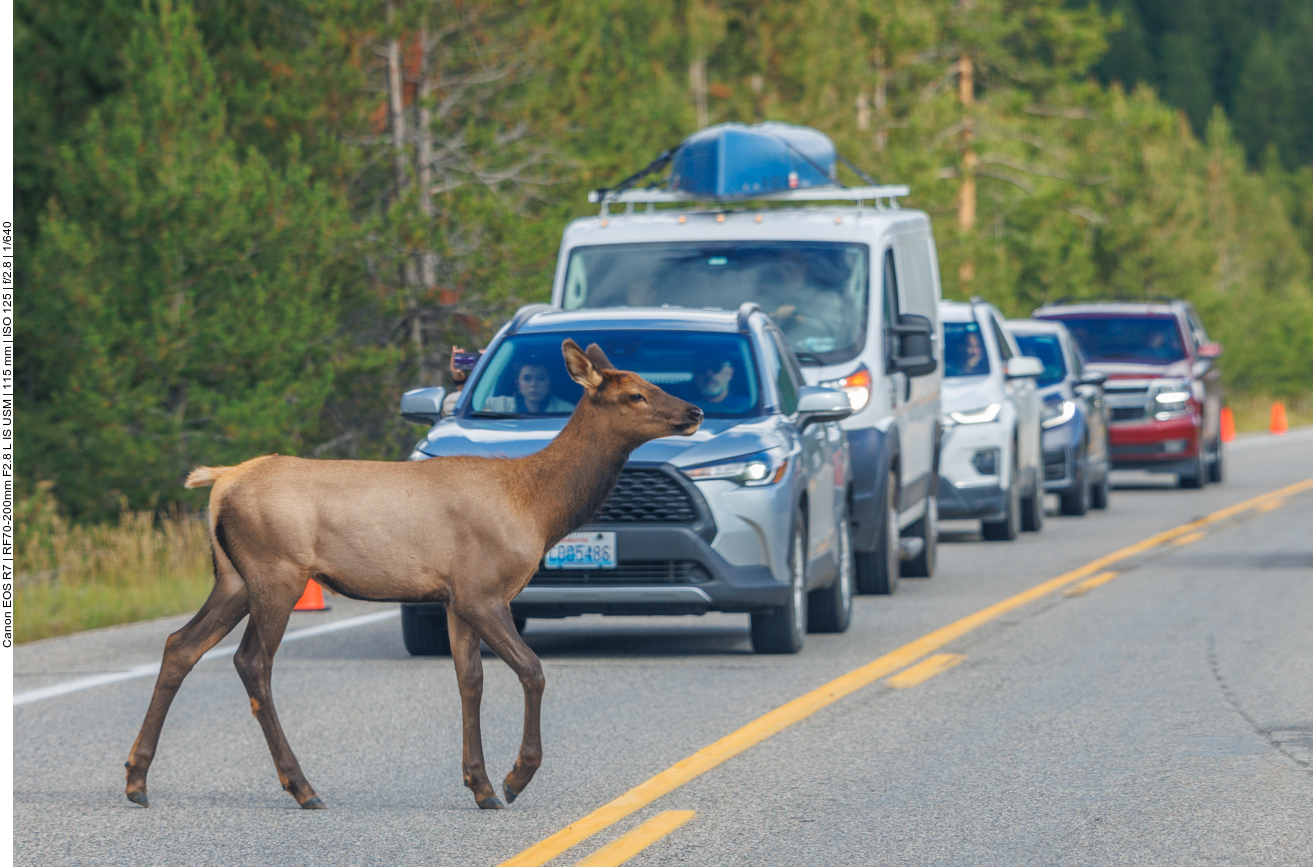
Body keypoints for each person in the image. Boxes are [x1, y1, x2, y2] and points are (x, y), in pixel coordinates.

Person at [482, 358, 575, 414]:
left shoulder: (567, 411)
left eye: (541, 378)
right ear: (517, 383)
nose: (533, 384)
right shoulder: (499, 406)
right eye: (527, 379)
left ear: (550, 383)